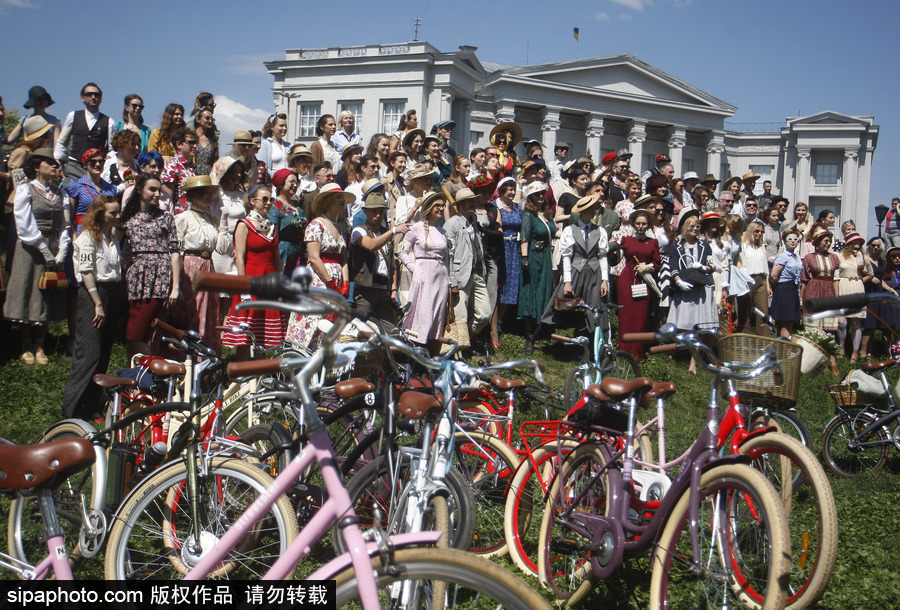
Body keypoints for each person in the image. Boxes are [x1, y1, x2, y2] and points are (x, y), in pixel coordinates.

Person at [3, 149, 70, 365]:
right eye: (48, 162)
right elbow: (25, 224)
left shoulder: (59, 193)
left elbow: (64, 225)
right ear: (36, 166)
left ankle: (40, 343)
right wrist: (44, 248)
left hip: (52, 245)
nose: (53, 166)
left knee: (47, 292)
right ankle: (26, 344)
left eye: (55, 162)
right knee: (27, 289)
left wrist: (62, 249)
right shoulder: (26, 189)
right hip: (31, 247)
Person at [61, 195, 121, 419]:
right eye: (112, 213)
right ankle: (72, 409)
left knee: (103, 353)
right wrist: (97, 303)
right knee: (89, 354)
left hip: (111, 293)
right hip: (94, 295)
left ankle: (92, 403)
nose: (117, 216)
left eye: (117, 212)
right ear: (100, 214)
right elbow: (86, 272)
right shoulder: (87, 238)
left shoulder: (111, 237)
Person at [529, 194, 609, 355]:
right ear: (583, 211)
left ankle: (594, 350)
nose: (594, 211)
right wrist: (567, 281)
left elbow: (602, 256)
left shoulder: (599, 231)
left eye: (594, 208)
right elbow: (566, 257)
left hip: (594, 275)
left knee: (594, 311)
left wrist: (605, 280)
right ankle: (534, 338)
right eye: (591, 208)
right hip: (575, 273)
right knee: (558, 306)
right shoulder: (570, 230)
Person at [119, 174, 180, 359]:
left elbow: (175, 251)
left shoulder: (166, 217)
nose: (157, 194)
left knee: (140, 331)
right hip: (135, 278)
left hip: (159, 277)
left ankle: (145, 374)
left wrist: (175, 287)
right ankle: (135, 373)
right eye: (152, 189)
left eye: (159, 190)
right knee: (131, 332)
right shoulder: (127, 218)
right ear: (139, 190)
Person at [284, 184, 353, 348]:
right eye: (338, 197)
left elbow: (343, 259)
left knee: (329, 322)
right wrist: (330, 283)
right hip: (319, 279)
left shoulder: (341, 228)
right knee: (313, 319)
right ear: (327, 201)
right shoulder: (316, 225)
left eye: (343, 197)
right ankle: (298, 357)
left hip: (336, 277)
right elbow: (314, 258)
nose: (342, 201)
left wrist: (345, 283)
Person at [221, 186, 285, 360]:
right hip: (251, 280)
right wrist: (243, 288)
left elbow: (277, 258)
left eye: (270, 200)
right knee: (246, 333)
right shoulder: (244, 225)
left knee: (262, 334)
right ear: (252, 201)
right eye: (264, 199)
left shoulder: (272, 226)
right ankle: (241, 376)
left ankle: (259, 376)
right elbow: (240, 258)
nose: (268, 203)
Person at [398, 192, 449, 355]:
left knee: (436, 317)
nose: (441, 208)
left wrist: (449, 280)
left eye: (442, 205)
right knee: (423, 315)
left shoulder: (443, 231)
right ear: (428, 208)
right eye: (437, 205)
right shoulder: (416, 228)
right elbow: (401, 251)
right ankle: (413, 357)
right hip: (423, 277)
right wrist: (414, 269)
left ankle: (430, 357)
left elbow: (447, 258)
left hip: (440, 277)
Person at [350, 189, 410, 325]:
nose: (378, 215)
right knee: (363, 332)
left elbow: (392, 264)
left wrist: (393, 290)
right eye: (374, 211)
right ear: (365, 211)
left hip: (383, 291)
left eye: (381, 211)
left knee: (392, 334)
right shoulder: (358, 230)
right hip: (364, 291)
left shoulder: (386, 233)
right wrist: (393, 231)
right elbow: (370, 245)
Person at [668, 210, 716, 372]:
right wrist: (678, 281)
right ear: (684, 227)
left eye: (697, 226)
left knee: (698, 328)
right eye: (691, 226)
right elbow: (672, 266)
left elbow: (712, 265)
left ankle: (693, 363)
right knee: (682, 325)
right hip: (684, 288)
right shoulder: (676, 245)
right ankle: (672, 352)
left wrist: (704, 267)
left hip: (701, 289)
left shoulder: (704, 245)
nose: (694, 229)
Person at [444, 188, 491, 340]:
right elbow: (448, 256)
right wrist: (453, 282)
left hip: (477, 273)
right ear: (460, 205)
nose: (472, 204)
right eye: (468, 202)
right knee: (460, 318)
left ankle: (466, 341)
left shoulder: (475, 221)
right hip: (460, 276)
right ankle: (458, 354)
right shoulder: (451, 224)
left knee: (485, 314)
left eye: (473, 201)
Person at [518, 181, 558, 343]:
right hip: (533, 255)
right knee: (531, 289)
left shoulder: (547, 214)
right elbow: (524, 237)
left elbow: (556, 232)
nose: (541, 196)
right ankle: (529, 330)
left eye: (543, 193)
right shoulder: (529, 215)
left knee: (545, 288)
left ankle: (542, 326)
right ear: (530, 197)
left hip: (546, 256)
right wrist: (525, 257)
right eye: (537, 194)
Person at [617, 208, 660, 360]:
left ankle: (637, 352)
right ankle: (623, 349)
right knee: (626, 314)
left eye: (644, 224)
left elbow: (657, 263)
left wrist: (648, 267)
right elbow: (617, 257)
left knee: (641, 315)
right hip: (628, 279)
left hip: (644, 280)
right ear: (633, 224)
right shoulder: (627, 240)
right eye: (638, 223)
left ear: (648, 225)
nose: (641, 226)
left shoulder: (653, 242)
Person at [55, 83, 116, 181]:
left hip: (95, 169)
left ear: (101, 98)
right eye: (89, 94)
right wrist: (58, 163)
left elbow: (112, 148)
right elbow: (62, 142)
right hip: (74, 166)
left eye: (97, 95)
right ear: (82, 98)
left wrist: (106, 160)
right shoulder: (73, 116)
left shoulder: (109, 122)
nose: (93, 97)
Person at [835, 232, 873, 362]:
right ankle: (841, 346)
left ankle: (855, 352)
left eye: (860, 241)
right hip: (843, 286)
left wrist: (861, 280)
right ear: (849, 242)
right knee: (842, 322)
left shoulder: (863, 257)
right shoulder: (839, 256)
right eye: (856, 241)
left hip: (857, 287)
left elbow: (870, 273)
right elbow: (835, 273)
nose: (858, 243)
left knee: (856, 322)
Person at [494, 179, 524, 347]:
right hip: (501, 247)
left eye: (514, 190)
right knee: (499, 282)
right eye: (509, 190)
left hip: (514, 248)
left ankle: (500, 319)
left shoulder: (518, 208)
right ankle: (492, 320)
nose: (512, 193)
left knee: (511, 283)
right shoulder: (495, 206)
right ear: (502, 191)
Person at [801, 227, 840, 345]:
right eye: (825, 241)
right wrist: (801, 298)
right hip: (813, 290)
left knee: (829, 327)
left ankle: (828, 354)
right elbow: (805, 279)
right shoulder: (809, 257)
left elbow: (836, 279)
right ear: (818, 242)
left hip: (829, 291)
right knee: (813, 325)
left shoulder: (834, 257)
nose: (828, 244)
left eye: (829, 241)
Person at [211, 156, 247, 276]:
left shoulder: (243, 195)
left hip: (238, 242)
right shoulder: (216, 195)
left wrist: (239, 246)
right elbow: (214, 186)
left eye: (239, 171)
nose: (238, 175)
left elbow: (246, 221)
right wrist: (214, 173)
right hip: (219, 242)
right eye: (233, 171)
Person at [65, 148, 116, 233]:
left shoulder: (110, 188)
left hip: (104, 231)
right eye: (93, 162)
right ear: (86, 164)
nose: (97, 164)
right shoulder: (77, 186)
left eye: (101, 161)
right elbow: (70, 217)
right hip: (83, 231)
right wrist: (73, 235)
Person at [862, 245, 900, 358]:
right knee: (888, 329)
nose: (897, 258)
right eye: (894, 256)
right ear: (889, 259)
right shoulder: (885, 271)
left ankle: (898, 354)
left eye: (899, 256)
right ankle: (889, 355)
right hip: (889, 303)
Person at [735, 220, 772, 336]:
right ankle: (744, 338)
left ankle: (764, 340)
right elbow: (739, 264)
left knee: (763, 311)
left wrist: (768, 285)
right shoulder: (743, 246)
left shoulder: (761, 248)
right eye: (757, 231)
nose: (759, 234)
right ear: (751, 231)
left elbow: (765, 269)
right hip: (747, 280)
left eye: (761, 231)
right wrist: (745, 277)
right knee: (744, 312)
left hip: (761, 279)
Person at [268, 168, 306, 275]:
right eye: (291, 182)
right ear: (281, 183)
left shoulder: (297, 206)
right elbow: (274, 236)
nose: (295, 185)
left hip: (299, 254)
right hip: (284, 254)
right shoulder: (275, 207)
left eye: (296, 182)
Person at [769, 228, 803, 338]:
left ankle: (785, 347)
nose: (793, 241)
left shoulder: (794, 256)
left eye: (795, 239)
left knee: (789, 322)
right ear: (784, 241)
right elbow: (774, 275)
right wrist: (776, 287)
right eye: (790, 239)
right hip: (784, 289)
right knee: (785, 321)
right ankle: (784, 347)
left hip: (792, 289)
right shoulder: (783, 256)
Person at [160, 127, 197, 214]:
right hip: (178, 217)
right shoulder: (171, 166)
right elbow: (166, 199)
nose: (195, 146)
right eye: (191, 143)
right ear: (179, 144)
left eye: (195, 143)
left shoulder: (192, 167)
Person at [258, 113, 289, 178]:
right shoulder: (265, 144)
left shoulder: (288, 145)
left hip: (288, 183)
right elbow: (263, 166)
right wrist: (277, 179)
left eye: (285, 126)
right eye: (281, 126)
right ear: (272, 127)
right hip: (272, 183)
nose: (285, 128)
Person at [192, 107, 218, 176]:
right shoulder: (191, 138)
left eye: (211, 119)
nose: (210, 121)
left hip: (208, 177)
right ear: (198, 120)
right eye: (207, 118)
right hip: (194, 175)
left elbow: (215, 160)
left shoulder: (212, 140)